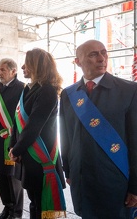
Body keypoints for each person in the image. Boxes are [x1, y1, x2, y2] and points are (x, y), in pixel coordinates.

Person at [60, 40, 137, 218]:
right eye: (93, 54)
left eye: (104, 53)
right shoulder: (69, 94)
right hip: (81, 179)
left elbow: (135, 141)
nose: (101, 58)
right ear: (77, 61)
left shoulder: (129, 90)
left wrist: (135, 185)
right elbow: (65, 136)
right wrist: (68, 171)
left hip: (115, 180)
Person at [8, 48, 66, 219]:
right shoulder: (30, 89)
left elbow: (34, 126)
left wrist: (17, 150)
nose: (23, 66)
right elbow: (16, 121)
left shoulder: (47, 91)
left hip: (39, 157)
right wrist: (13, 146)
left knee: (41, 203)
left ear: (37, 65)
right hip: (27, 154)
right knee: (34, 200)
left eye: (28, 62)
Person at [0, 58, 25, 219]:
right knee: (0, 177)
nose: (0, 73)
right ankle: (7, 209)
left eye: (3, 70)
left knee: (12, 179)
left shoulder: (22, 89)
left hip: (10, 142)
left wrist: (16, 142)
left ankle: (16, 213)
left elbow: (21, 118)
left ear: (13, 71)